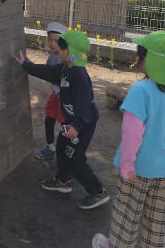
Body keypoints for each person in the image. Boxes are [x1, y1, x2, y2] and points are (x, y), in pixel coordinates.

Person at [92, 30, 165, 248]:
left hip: (137, 170)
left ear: (148, 61)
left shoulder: (140, 90)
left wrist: (126, 166)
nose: (137, 60)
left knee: (126, 215)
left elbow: (132, 135)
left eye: (140, 55)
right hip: (164, 171)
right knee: (158, 223)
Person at [16, 30, 110, 210]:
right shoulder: (65, 68)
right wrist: (28, 66)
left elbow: (85, 104)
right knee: (61, 150)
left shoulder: (80, 75)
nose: (57, 48)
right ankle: (63, 180)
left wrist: (77, 125)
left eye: (62, 46)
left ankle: (97, 191)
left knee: (74, 157)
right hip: (71, 123)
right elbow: (48, 71)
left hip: (83, 124)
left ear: (72, 51)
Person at [35, 22, 68, 162]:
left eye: (56, 40)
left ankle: (62, 154)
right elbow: (47, 72)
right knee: (49, 121)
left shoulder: (67, 56)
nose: (53, 44)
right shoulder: (52, 56)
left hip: (65, 99)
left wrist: (53, 88)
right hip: (55, 98)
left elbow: (67, 80)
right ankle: (50, 148)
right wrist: (30, 65)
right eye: (50, 40)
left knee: (64, 127)